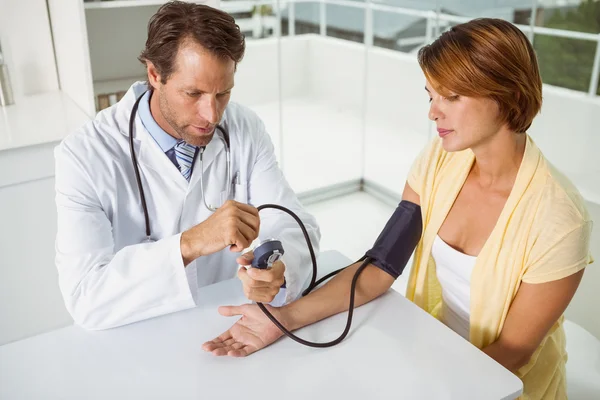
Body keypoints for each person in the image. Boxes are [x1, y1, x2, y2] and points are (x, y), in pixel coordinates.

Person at [202, 18, 594, 399]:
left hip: (497, 384)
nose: (433, 112)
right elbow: (379, 267)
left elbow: (512, 353)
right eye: (431, 95)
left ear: (506, 94)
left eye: (452, 97)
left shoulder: (560, 221)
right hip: (431, 350)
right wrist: (284, 321)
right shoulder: (439, 162)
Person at [54, 1, 320, 330]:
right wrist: (190, 243)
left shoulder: (244, 128)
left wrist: (281, 272)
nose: (211, 115)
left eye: (223, 93)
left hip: (228, 325)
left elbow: (297, 227)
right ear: (154, 74)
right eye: (193, 93)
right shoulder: (84, 155)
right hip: (137, 338)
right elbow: (85, 298)